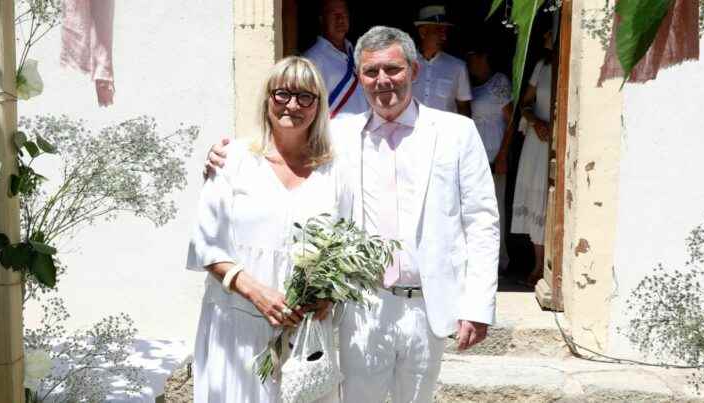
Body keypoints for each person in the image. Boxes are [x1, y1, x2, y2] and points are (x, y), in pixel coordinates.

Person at [206, 26, 499, 403]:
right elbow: (282, 143)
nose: (382, 81)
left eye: (392, 69)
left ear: (414, 70)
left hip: (430, 303)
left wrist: (477, 305)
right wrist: (225, 156)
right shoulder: (339, 134)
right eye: (371, 72)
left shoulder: (457, 133)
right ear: (359, 77)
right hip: (363, 306)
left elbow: (482, 222)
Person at [187, 56, 350, 403]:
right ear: (267, 98)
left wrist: (327, 295)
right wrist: (256, 293)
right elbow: (206, 246)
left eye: (305, 96)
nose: (292, 105)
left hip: (303, 334)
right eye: (282, 94)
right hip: (237, 324)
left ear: (318, 106)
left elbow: (345, 247)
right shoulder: (233, 159)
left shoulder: (333, 171)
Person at [512, 29, 554, 287]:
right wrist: (535, 121)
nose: (546, 35)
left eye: (550, 31)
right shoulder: (542, 66)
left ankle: (552, 263)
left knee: (551, 199)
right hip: (538, 140)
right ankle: (538, 264)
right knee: (536, 196)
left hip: (558, 139)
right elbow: (525, 103)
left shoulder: (568, 66)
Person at [467, 45, 513, 273]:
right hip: (477, 154)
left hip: (495, 152)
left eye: (473, 56)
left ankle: (499, 259)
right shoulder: (473, 86)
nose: (470, 62)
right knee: (475, 207)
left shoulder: (498, 82)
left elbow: (511, 120)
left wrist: (504, 154)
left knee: (495, 207)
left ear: (484, 56)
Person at [302, 0, 368, 117]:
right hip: (333, 131)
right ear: (322, 19)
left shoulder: (357, 52)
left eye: (344, 14)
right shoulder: (311, 60)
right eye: (334, 15)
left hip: (365, 127)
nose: (340, 19)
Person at [411, 5, 472, 116]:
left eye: (445, 32)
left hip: (445, 132)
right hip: (412, 132)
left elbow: (463, 107)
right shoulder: (405, 64)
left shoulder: (458, 67)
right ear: (423, 32)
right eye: (439, 30)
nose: (444, 37)